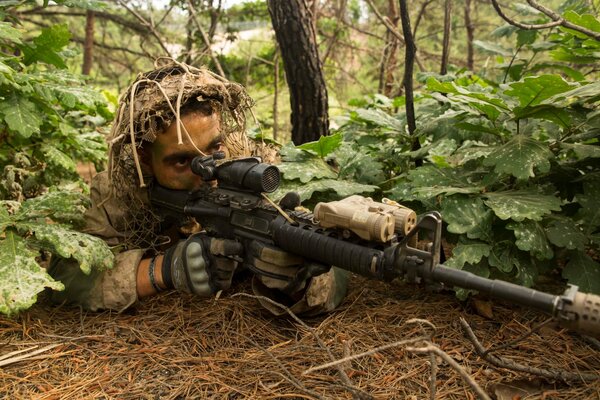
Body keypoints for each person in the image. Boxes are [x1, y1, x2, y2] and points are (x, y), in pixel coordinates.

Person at [48, 59, 347, 316]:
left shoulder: (252, 165)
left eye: (215, 149)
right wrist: (163, 270)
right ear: (145, 159)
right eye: (182, 162)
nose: (209, 173)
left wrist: (300, 279)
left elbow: (332, 255)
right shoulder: (119, 190)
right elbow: (65, 278)